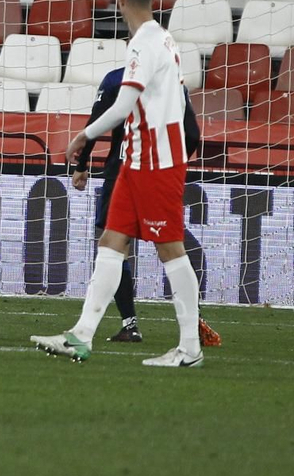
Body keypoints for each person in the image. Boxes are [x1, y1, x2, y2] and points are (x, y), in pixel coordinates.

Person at [35, 0, 204, 367]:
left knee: (170, 249)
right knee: (111, 242)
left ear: (121, 0)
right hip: (136, 159)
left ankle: (190, 347)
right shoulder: (163, 37)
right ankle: (80, 336)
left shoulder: (143, 45)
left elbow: (124, 105)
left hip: (156, 163)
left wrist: (83, 135)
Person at [73, 66, 219, 348]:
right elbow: (191, 134)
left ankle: (128, 325)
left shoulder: (116, 78)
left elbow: (97, 121)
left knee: (113, 246)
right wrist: (173, 165)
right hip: (158, 173)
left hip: (122, 173)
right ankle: (193, 323)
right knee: (169, 248)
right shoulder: (175, 80)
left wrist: (81, 165)